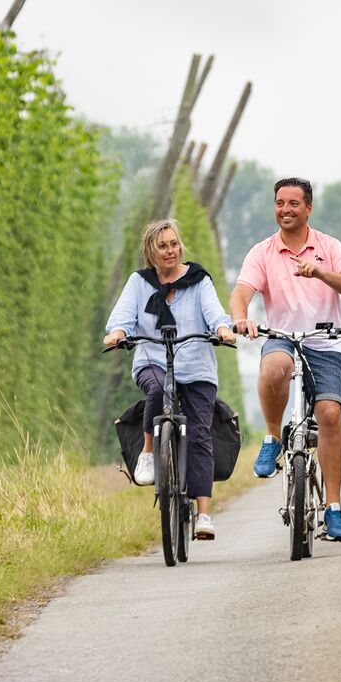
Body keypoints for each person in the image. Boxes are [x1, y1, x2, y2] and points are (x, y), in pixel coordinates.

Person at [230, 177, 341, 542]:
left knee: (330, 415)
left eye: (293, 203)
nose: (285, 210)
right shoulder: (263, 252)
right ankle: (273, 437)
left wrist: (320, 271)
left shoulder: (329, 246)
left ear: (308, 208)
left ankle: (333, 507)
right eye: (279, 203)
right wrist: (241, 316)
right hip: (283, 339)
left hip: (324, 342)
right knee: (274, 367)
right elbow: (241, 291)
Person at [103, 218, 237, 540]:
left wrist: (222, 330)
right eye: (162, 246)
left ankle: (204, 515)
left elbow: (215, 312)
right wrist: (118, 334)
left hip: (196, 366)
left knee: (200, 433)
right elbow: (122, 318)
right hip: (152, 359)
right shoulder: (139, 282)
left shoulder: (198, 279)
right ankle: (149, 452)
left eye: (174, 244)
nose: (170, 251)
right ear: (150, 251)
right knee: (158, 387)